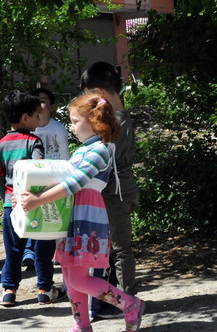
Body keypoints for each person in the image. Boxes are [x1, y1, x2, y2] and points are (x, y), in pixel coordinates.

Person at [15, 92, 145, 332]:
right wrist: (28, 195)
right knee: (69, 274)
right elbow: (60, 180)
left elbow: (74, 183)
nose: (71, 127)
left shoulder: (101, 150)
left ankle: (129, 304)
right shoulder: (83, 151)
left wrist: (38, 200)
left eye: (75, 122)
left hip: (86, 217)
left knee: (77, 277)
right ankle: (82, 325)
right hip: (73, 214)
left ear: (94, 122)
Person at [80, 62, 140, 319]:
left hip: (116, 193)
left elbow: (103, 156)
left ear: (98, 92)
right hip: (121, 189)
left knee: (120, 248)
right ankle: (119, 298)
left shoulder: (115, 121)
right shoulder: (120, 116)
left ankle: (128, 301)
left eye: (88, 95)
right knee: (114, 248)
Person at [0, 89, 63, 307]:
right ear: (25, 118)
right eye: (35, 115)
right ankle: (45, 289)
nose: (38, 119)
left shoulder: (1, 144)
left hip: (10, 205)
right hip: (35, 202)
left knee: (13, 250)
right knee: (43, 247)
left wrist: (7, 199)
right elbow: (38, 170)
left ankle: (8, 291)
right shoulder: (34, 142)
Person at [22, 88, 71, 269]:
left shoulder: (58, 129)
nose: (38, 104)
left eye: (42, 100)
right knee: (32, 212)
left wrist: (64, 176)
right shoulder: (27, 130)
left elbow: (65, 156)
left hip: (54, 177)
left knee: (55, 213)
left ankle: (58, 251)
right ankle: (29, 251)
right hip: (33, 178)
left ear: (52, 107)